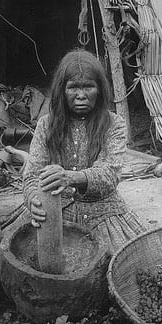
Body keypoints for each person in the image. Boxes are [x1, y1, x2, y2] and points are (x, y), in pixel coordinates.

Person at [22, 49, 145, 254]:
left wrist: (70, 177)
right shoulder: (46, 125)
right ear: (62, 91)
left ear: (100, 90)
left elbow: (110, 173)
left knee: (125, 265)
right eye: (73, 88)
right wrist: (34, 199)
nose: (81, 95)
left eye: (89, 86)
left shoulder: (114, 124)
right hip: (54, 211)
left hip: (103, 213)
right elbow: (33, 174)